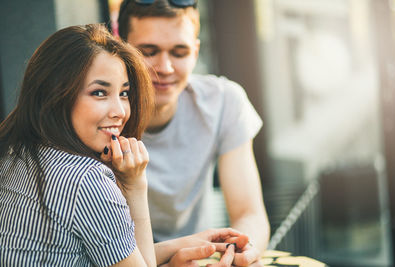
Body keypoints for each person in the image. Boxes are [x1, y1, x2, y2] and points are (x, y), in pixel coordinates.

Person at [0, 23, 247, 266]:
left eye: (124, 93)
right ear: (56, 95)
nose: (120, 111)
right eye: (99, 93)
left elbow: (112, 254)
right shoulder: (87, 181)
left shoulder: (15, 153)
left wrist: (183, 244)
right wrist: (136, 187)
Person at [118, 0, 270, 265]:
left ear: (196, 51)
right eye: (149, 51)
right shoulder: (99, 117)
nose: (165, 68)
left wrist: (243, 252)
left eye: (179, 52)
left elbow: (249, 211)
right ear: (119, 48)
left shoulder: (224, 101)